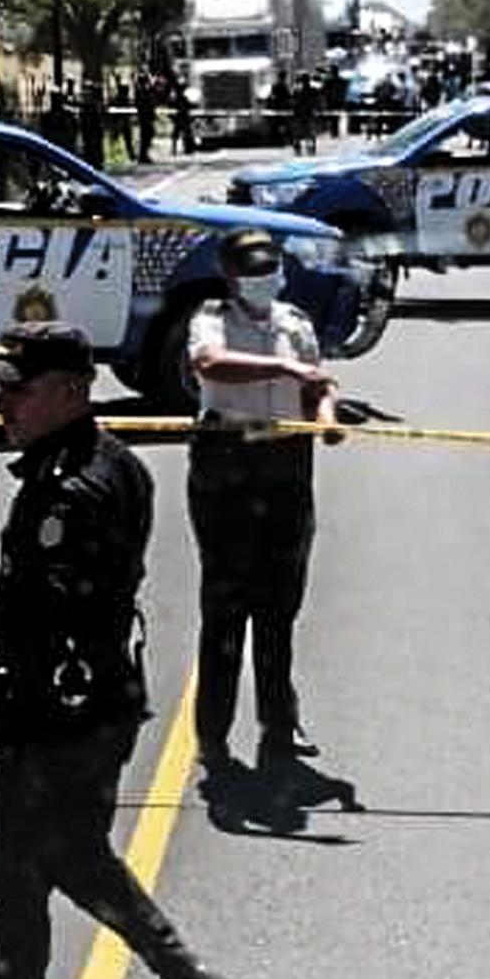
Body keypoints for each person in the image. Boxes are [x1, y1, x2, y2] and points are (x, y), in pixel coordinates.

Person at [0, 322, 236, 979]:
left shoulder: (66, 488)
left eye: (18, 389)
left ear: (71, 391)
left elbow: (43, 613)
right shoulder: (117, 462)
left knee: (29, 868)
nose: (2, 403)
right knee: (48, 862)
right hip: (93, 697)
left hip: (56, 708)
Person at [187, 230, 343, 766]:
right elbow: (209, 364)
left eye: (271, 270)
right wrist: (285, 369)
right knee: (226, 607)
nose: (265, 280)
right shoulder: (211, 318)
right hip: (227, 465)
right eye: (253, 273)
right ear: (230, 277)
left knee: (279, 607)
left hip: (286, 466)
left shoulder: (293, 322)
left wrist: (326, 417)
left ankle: (280, 720)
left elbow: (319, 382)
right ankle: (212, 732)